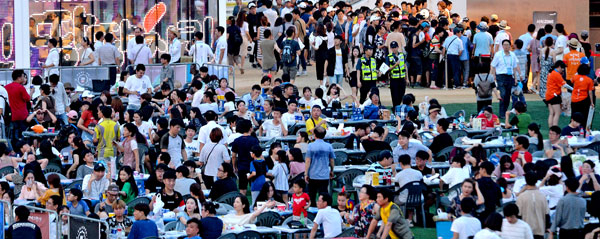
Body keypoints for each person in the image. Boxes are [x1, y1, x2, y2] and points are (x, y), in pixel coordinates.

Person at [305, 126, 335, 206]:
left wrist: (306, 173)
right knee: (324, 195)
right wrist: (332, 170)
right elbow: (331, 160)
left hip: (313, 174)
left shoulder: (311, 146)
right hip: (324, 175)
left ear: (314, 135)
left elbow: (308, 160)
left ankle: (312, 211)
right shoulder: (329, 146)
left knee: (312, 195)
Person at [491, 39, 521, 118]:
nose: (506, 47)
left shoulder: (512, 55)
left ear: (510, 46)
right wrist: (492, 76)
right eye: (504, 45)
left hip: (509, 76)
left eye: (507, 45)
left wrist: (515, 78)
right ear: (502, 46)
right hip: (500, 76)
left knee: (508, 95)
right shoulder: (498, 55)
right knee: (503, 94)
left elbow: (514, 67)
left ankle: (504, 111)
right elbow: (493, 66)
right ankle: (501, 113)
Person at [515, 172, 549, 239]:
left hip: (526, 230)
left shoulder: (521, 197)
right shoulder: (542, 196)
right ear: (536, 181)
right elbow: (547, 214)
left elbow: (518, 215)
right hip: (540, 229)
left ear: (526, 181)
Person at [231, 119, 258, 195]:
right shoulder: (254, 140)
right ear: (250, 128)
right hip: (253, 167)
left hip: (242, 167)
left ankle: (242, 204)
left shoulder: (236, 140)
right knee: (254, 188)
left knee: (242, 189)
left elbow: (233, 156)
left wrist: (234, 166)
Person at [6, 70, 32, 145]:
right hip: (22, 116)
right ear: (19, 78)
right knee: (23, 136)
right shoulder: (21, 88)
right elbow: (28, 98)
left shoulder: (6, 87)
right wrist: (31, 92)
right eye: (23, 76)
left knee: (12, 135)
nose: (24, 78)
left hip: (11, 116)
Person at [545, 61, 573, 126]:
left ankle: (551, 128)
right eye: (562, 68)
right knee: (557, 113)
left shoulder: (551, 73)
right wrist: (573, 89)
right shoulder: (556, 74)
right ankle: (555, 128)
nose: (563, 69)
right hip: (554, 95)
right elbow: (564, 85)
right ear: (559, 67)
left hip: (548, 95)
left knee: (551, 113)